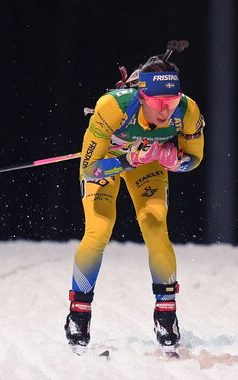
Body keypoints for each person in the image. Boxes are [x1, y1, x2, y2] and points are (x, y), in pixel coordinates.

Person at [64, 47, 205, 351]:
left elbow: (195, 159)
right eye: (158, 103)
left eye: (172, 101)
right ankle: (79, 312)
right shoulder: (112, 108)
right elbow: (90, 169)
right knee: (99, 229)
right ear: (142, 97)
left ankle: (166, 314)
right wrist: (130, 159)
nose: (166, 110)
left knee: (155, 227)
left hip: (149, 162)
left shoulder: (188, 111)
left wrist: (173, 161)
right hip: (111, 160)